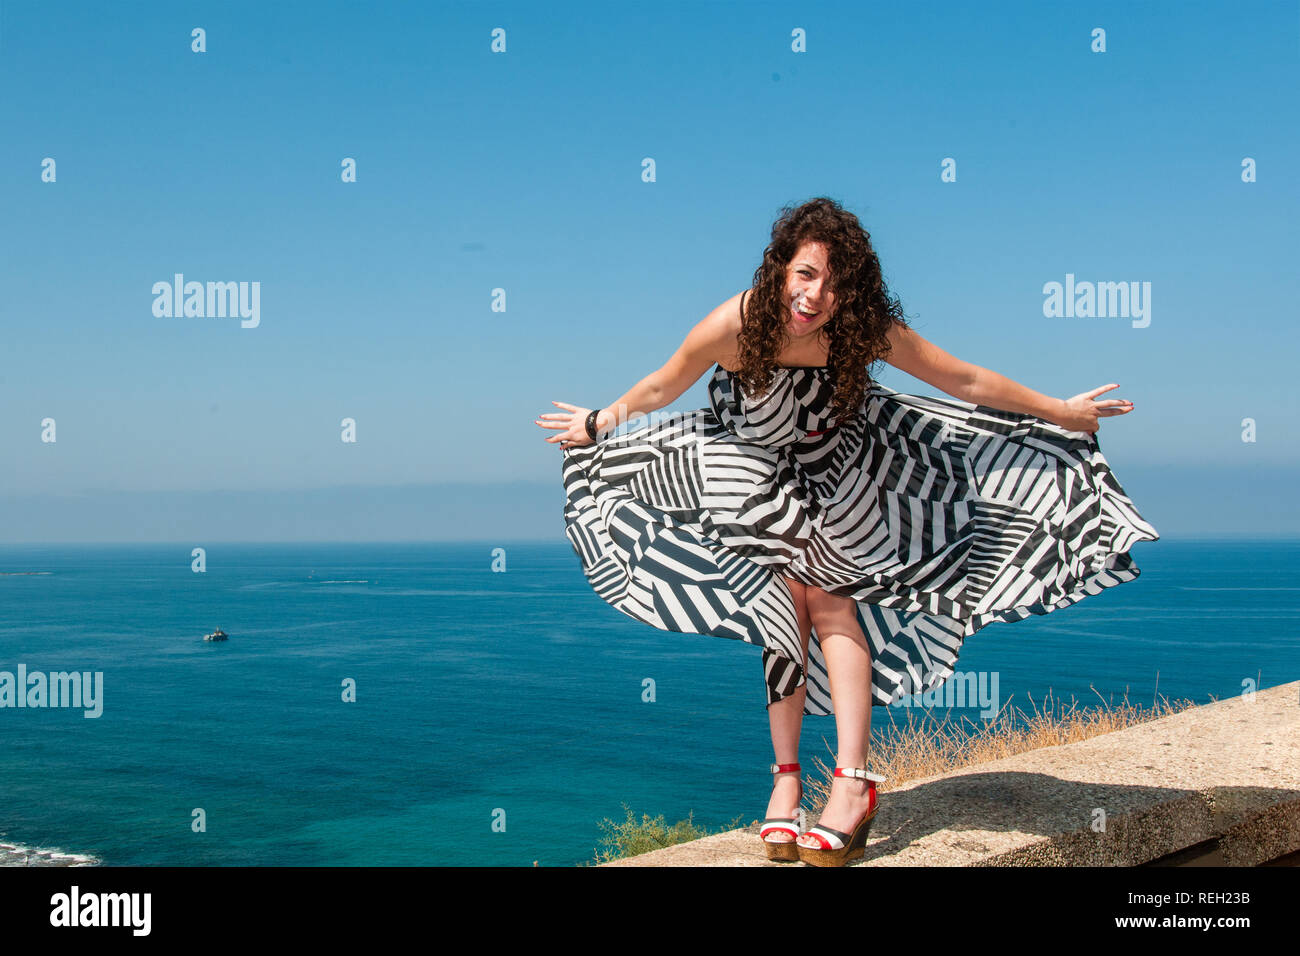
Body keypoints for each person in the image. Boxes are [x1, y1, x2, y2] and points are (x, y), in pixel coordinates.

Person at [535, 197, 1157, 866]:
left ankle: (853, 782)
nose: (815, 294)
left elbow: (964, 378)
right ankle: (786, 782)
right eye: (805, 273)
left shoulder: (863, 330)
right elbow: (664, 386)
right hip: (751, 471)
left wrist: (1061, 411)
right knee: (780, 612)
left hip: (844, 471)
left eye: (833, 282)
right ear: (781, 269)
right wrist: (600, 422)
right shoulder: (734, 324)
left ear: (851, 289)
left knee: (829, 604)